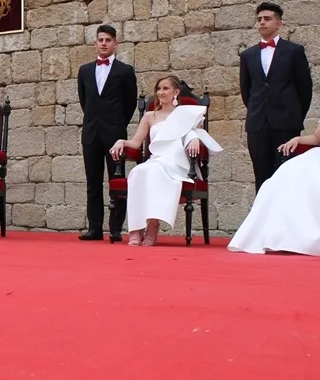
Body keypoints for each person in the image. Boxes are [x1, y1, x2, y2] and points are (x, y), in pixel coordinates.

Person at [228, 58, 320, 257]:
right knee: (282, 177)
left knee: (314, 182)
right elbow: (317, 137)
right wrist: (297, 139)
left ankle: (314, 240)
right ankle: (283, 236)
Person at [110, 76, 223, 246]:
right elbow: (135, 143)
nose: (161, 92)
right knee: (138, 171)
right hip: (156, 160)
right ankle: (136, 228)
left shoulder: (187, 115)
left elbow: (197, 133)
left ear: (176, 92)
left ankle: (153, 225)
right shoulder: (149, 116)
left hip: (177, 163)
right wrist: (121, 141)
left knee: (154, 172)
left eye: (165, 88)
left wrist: (194, 137)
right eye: (158, 89)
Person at [239, 2, 313, 192]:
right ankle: (263, 220)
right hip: (257, 124)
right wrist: (258, 111)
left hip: (286, 123)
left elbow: (305, 88)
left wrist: (293, 116)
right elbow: (246, 91)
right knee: (261, 177)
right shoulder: (248, 55)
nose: (262, 23)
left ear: (279, 23)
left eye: (267, 19)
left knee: (286, 175)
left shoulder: (294, 51)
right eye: (259, 19)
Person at [77, 25, 138, 242]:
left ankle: (115, 229)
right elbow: (85, 100)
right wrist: (95, 120)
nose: (104, 43)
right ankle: (94, 228)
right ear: (95, 43)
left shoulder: (125, 71)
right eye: (100, 39)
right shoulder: (84, 71)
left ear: (115, 43)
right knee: (92, 181)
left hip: (115, 134)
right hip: (91, 132)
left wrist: (116, 124)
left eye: (108, 40)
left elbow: (130, 103)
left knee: (116, 180)